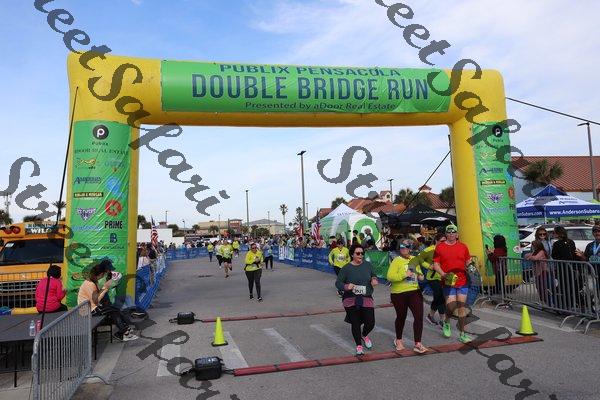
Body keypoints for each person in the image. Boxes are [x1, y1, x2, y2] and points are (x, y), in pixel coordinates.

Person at [431, 224, 473, 343]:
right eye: (449, 232)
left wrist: (471, 266)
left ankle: (462, 334)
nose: (451, 234)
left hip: (462, 280)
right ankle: (446, 322)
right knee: (451, 307)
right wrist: (443, 274)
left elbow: (468, 260)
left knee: (461, 307)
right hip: (448, 281)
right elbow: (436, 264)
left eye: (453, 232)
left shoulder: (463, 247)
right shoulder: (440, 247)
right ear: (446, 234)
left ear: (457, 234)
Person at [335, 244, 378, 355]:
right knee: (356, 322)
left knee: (370, 322)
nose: (360, 255)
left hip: (366, 296)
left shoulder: (368, 265)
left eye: (362, 253)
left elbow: (373, 275)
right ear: (352, 255)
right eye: (358, 253)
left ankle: (364, 335)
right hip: (350, 298)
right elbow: (338, 283)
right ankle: (358, 345)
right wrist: (346, 286)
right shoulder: (346, 268)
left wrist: (374, 280)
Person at [78, 263, 138, 341]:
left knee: (114, 310)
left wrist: (105, 287)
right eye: (103, 275)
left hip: (92, 308)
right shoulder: (90, 284)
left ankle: (124, 331)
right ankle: (124, 332)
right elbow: (96, 300)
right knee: (114, 311)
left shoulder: (93, 281)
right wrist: (105, 287)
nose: (103, 277)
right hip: (88, 311)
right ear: (100, 274)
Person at [387, 244, 428, 353]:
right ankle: (398, 340)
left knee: (419, 316)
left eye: (407, 246)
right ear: (399, 249)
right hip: (399, 293)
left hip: (414, 291)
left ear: (410, 248)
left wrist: (420, 276)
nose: (404, 249)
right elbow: (390, 277)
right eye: (402, 247)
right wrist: (404, 274)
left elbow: (420, 274)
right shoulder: (396, 260)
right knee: (401, 317)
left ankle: (418, 344)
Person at [411, 233, 446, 326]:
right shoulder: (429, 250)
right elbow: (418, 258)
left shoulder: (447, 249)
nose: (444, 243)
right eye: (442, 241)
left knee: (438, 298)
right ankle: (443, 320)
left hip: (444, 277)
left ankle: (430, 315)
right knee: (440, 298)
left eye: (445, 241)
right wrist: (428, 266)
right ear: (436, 241)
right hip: (433, 278)